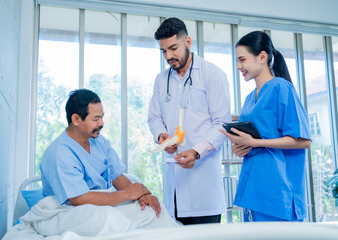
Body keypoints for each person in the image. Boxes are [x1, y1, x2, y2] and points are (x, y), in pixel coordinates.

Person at [220, 31, 311, 222]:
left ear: (262, 57)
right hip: (253, 188)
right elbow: (256, 140)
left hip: (277, 192)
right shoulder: (248, 98)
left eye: (242, 60)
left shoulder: (281, 88)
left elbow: (303, 141)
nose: (239, 66)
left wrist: (256, 142)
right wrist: (242, 147)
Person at [148, 17, 231, 225]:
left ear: (188, 42)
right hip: (174, 183)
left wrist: (196, 151)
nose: (169, 56)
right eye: (164, 51)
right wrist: (162, 136)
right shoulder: (161, 80)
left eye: (173, 48)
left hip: (204, 187)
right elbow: (154, 117)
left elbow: (222, 123)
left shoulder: (212, 75)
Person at [40, 89, 161, 217]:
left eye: (102, 117)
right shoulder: (60, 153)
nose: (101, 123)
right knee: (111, 220)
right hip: (65, 212)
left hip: (99, 205)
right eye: (96, 118)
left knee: (149, 211)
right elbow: (80, 199)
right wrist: (127, 194)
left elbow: (117, 177)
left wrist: (143, 195)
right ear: (76, 119)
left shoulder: (99, 141)